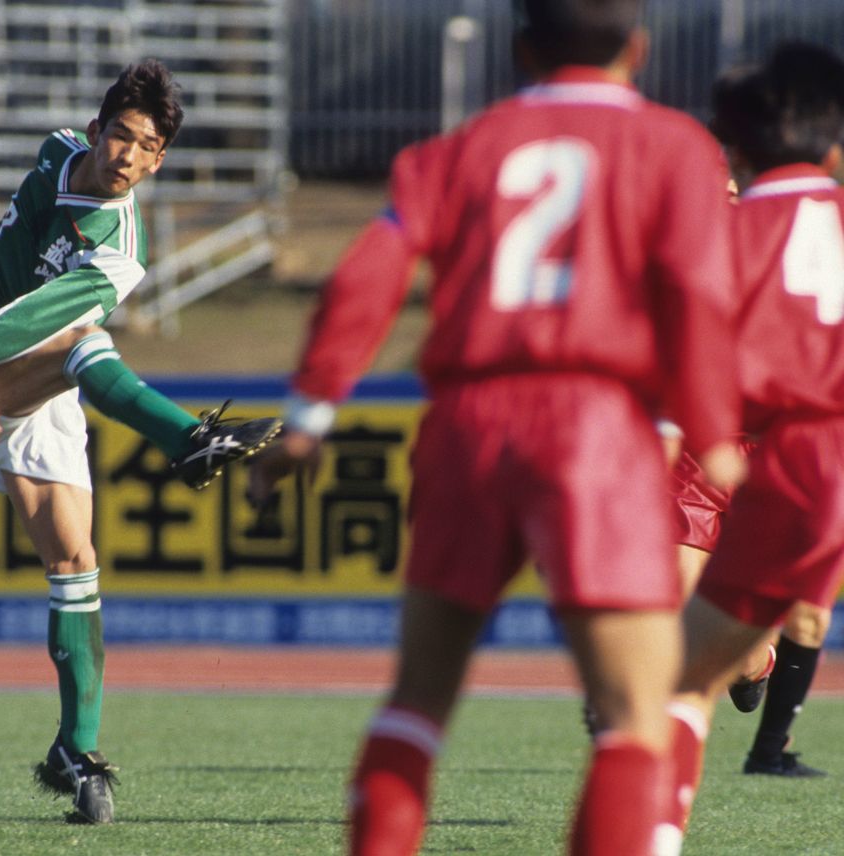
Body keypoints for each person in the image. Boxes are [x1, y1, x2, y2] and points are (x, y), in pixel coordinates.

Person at [249, 1, 746, 853]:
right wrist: (717, 435)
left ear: (520, 49)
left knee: (418, 701)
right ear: (638, 48)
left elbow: (370, 272)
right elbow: (697, 299)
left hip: (469, 421)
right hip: (597, 426)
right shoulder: (676, 149)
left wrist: (310, 411)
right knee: (634, 714)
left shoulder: (458, 150)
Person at [0, 59, 279, 825]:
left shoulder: (123, 249)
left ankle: (74, 751)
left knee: (76, 565)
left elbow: (43, 313)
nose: (128, 154)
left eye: (147, 146)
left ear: (160, 161)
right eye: (120, 133)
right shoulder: (57, 152)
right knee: (86, 341)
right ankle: (187, 438)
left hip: (36, 377)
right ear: (95, 131)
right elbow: (18, 319)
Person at [658, 42, 844, 850]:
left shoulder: (737, 230)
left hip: (754, 444)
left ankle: (654, 813)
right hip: (811, 457)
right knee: (698, 637)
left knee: (679, 669)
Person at [671, 446, 830, 778]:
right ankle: (655, 763)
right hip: (698, 462)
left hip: (777, 471)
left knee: (744, 663)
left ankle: (758, 669)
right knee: (681, 629)